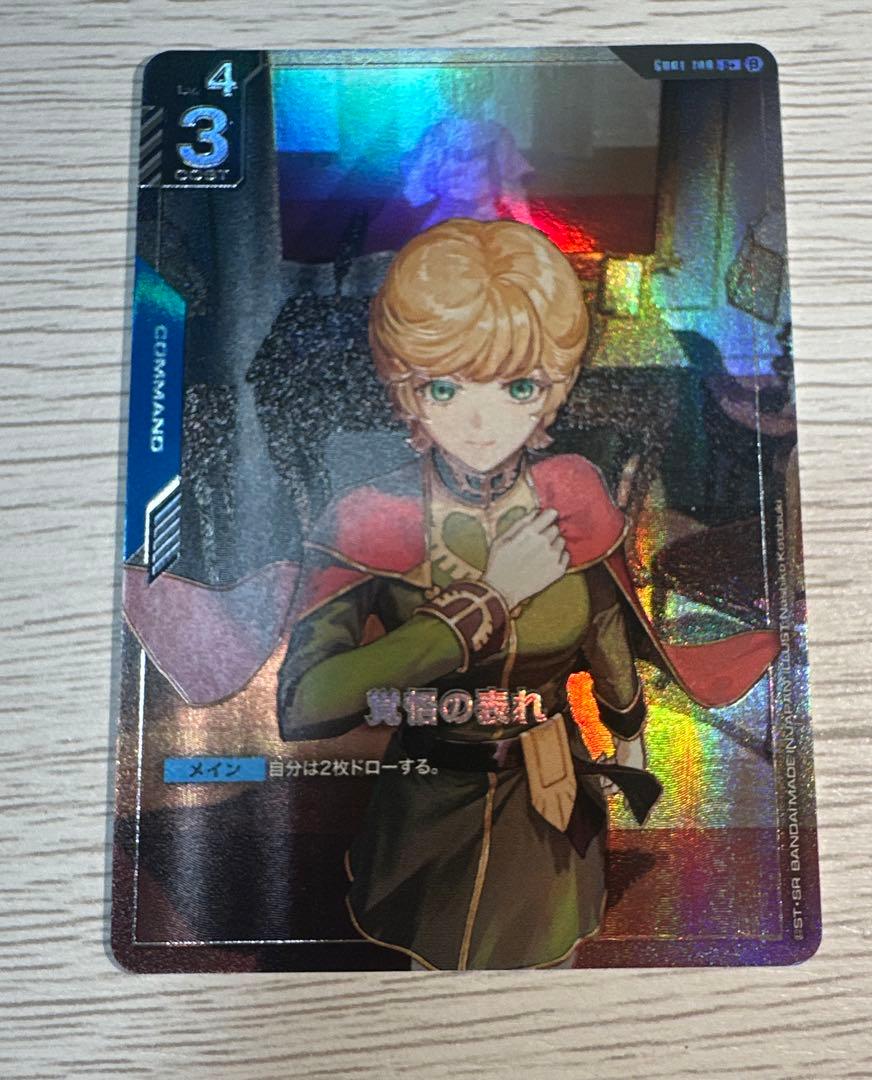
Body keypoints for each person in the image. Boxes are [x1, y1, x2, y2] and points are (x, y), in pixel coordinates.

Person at [273, 218, 780, 969]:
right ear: (407, 390)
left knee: (550, 967)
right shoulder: (372, 517)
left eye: (518, 387)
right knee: (427, 975)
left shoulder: (571, 490)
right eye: (445, 387)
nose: (482, 421)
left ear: (552, 391)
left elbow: (604, 623)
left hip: (549, 791)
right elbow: (305, 705)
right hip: (425, 800)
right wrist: (482, 603)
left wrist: (629, 731)